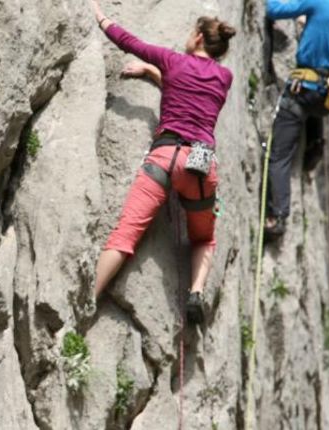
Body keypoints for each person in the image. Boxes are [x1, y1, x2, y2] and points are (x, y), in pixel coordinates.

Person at [90, 0, 235, 324]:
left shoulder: (172, 61)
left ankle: (90, 298)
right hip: (199, 164)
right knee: (204, 238)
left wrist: (101, 18)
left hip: (164, 157)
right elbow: (191, 90)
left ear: (198, 37)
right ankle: (195, 291)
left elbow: (130, 42)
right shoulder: (224, 77)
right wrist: (153, 73)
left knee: (125, 236)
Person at [263, 0, 329, 239]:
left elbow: (273, 10)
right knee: (309, 112)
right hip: (326, 96)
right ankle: (314, 144)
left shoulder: (322, 3)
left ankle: (278, 216)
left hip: (303, 88)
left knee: (279, 154)